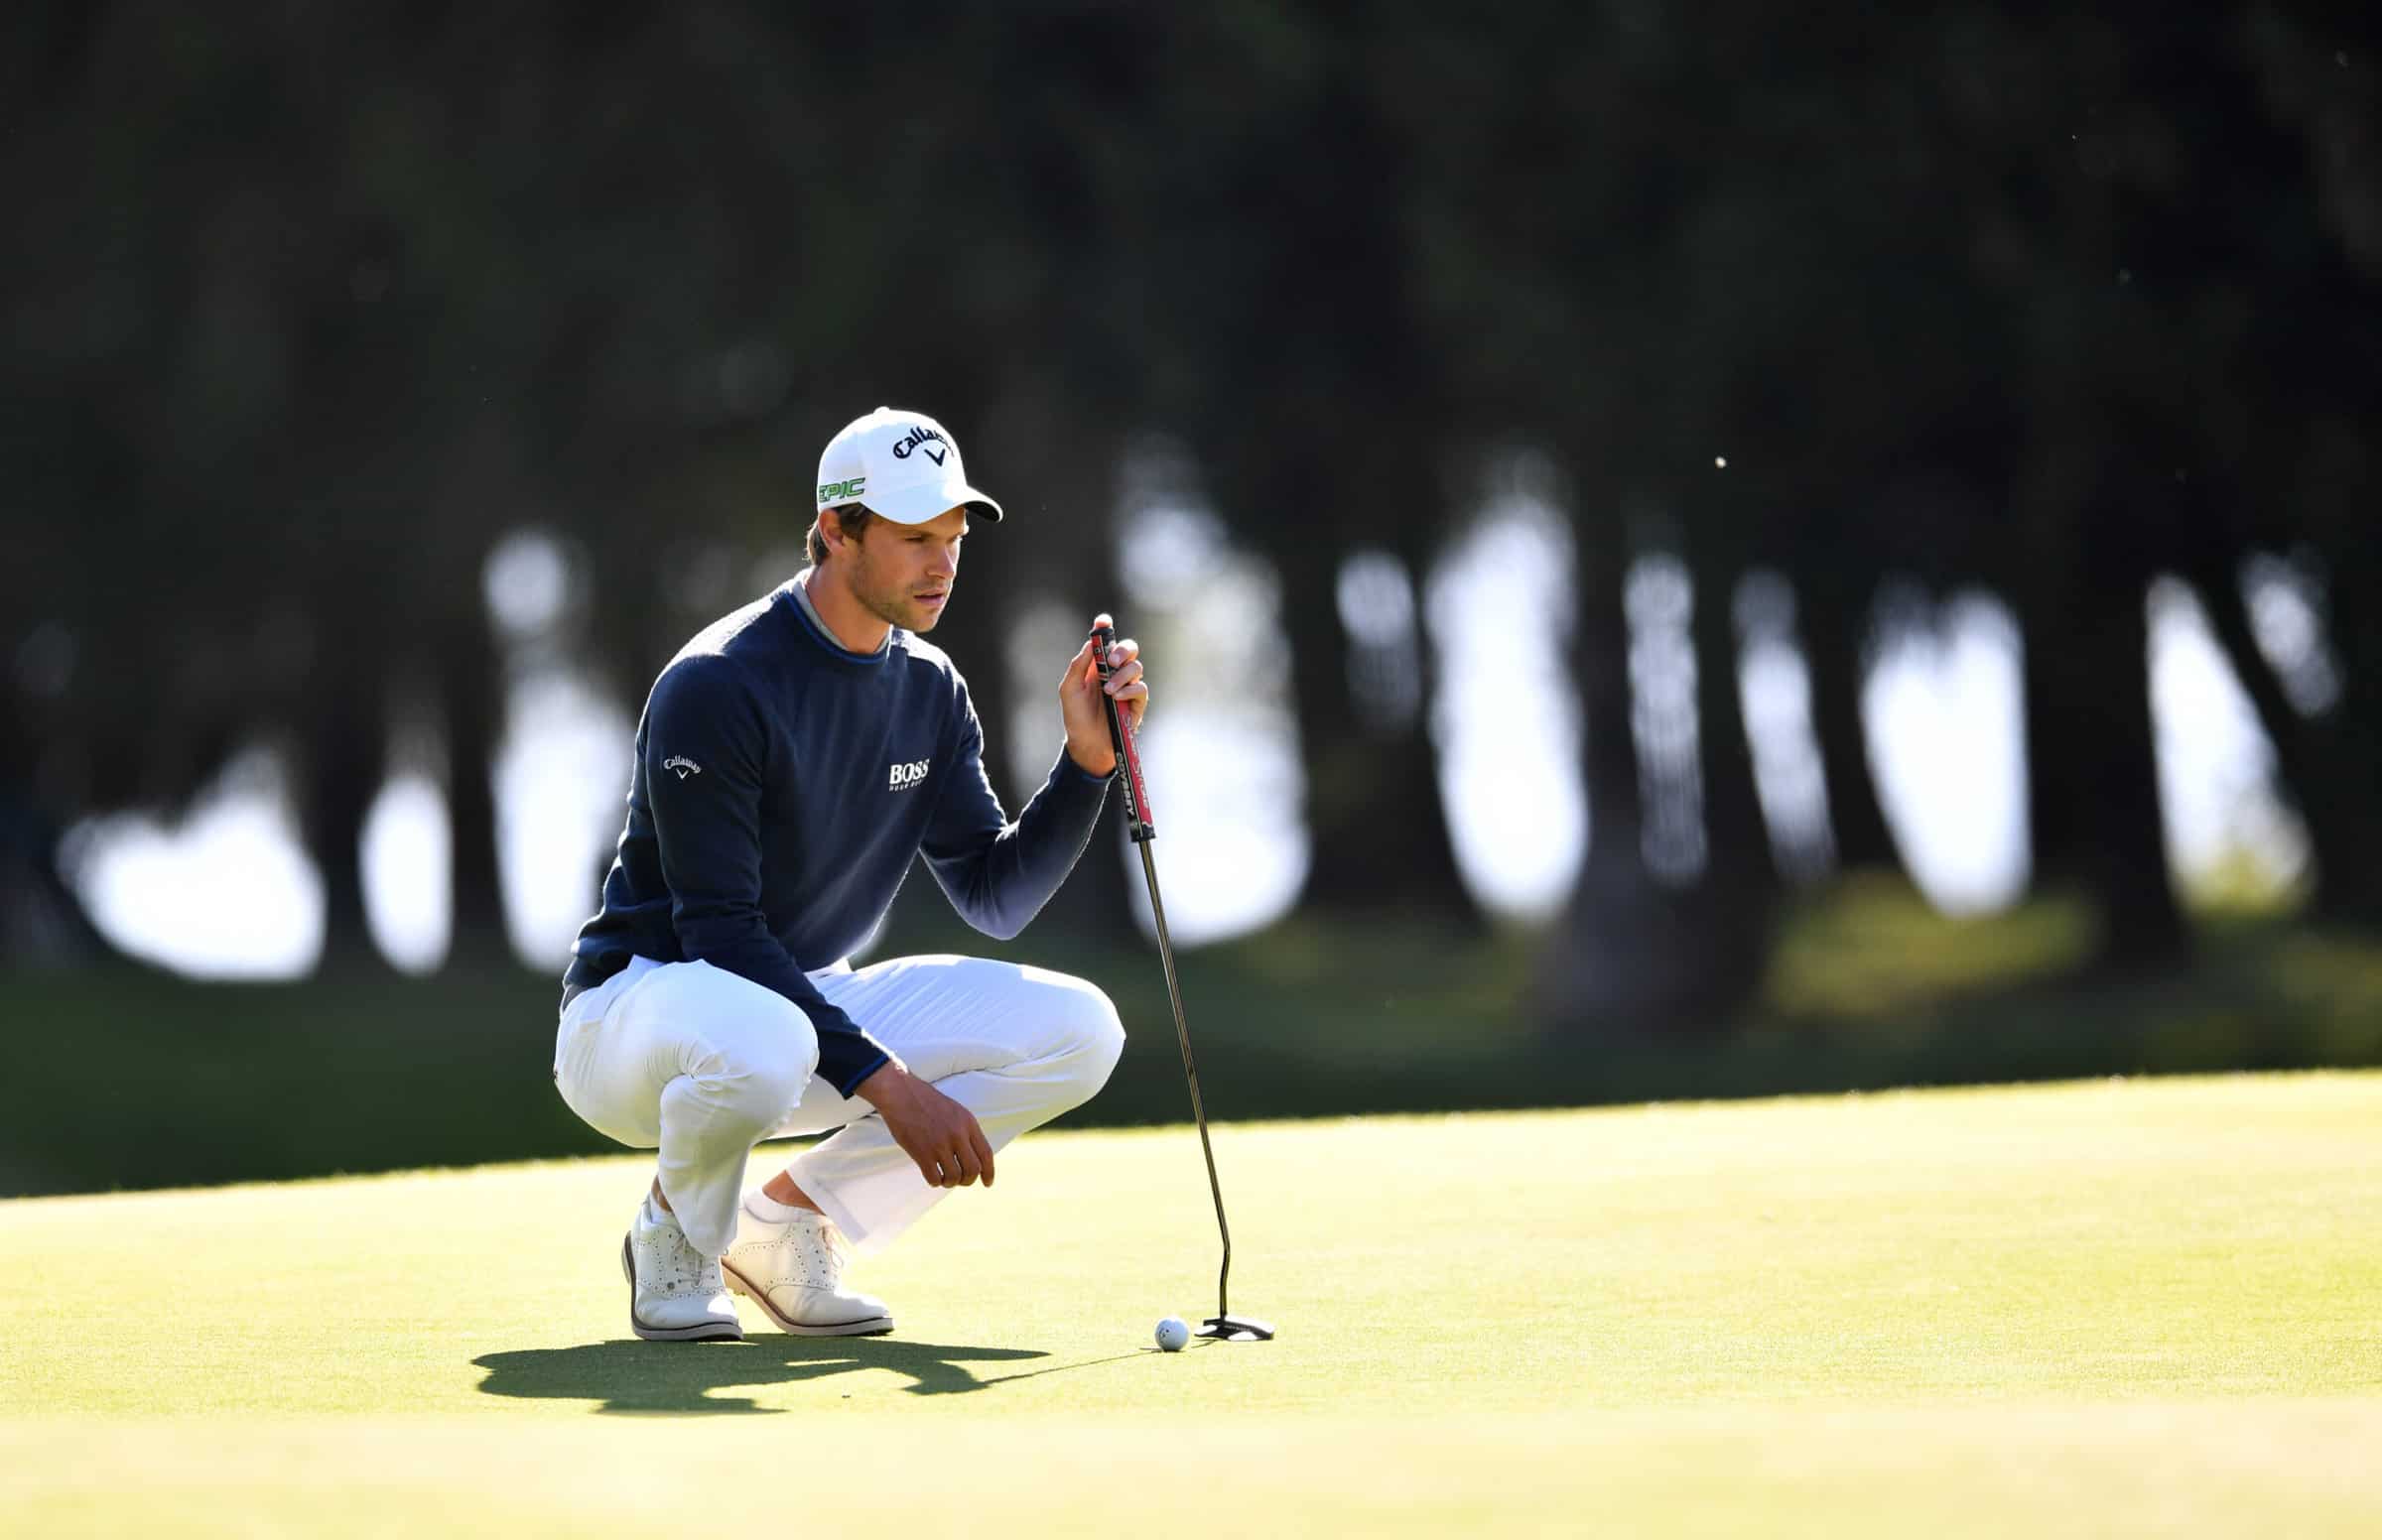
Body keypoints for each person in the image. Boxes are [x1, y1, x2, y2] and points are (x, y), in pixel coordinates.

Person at [552, 405, 1147, 1342]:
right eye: (915, 538)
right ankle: (674, 1237)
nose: (942, 564)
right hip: (638, 1016)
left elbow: (995, 895)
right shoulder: (717, 682)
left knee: (1081, 1030)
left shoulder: (930, 688)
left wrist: (1085, 766)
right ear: (837, 530)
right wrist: (890, 1084)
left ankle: (784, 1222)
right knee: (766, 1037)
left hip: (800, 1011)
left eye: (952, 539)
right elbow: (720, 932)